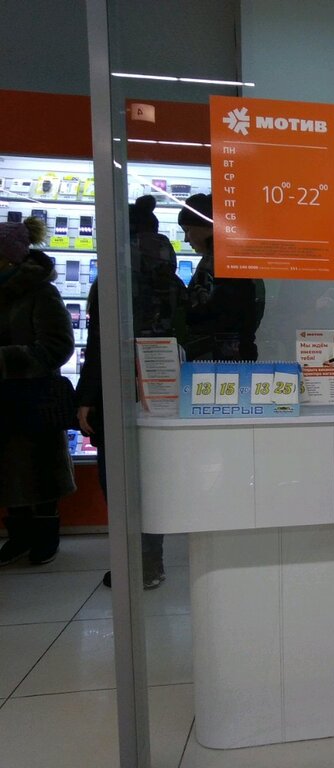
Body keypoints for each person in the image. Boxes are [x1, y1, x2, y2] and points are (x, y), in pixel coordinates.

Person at [77, 195, 187, 589]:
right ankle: (150, 561)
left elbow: (101, 345)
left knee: (118, 480)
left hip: (118, 389)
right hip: (164, 391)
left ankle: (133, 562)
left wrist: (86, 397)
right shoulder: (173, 280)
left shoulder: (113, 281)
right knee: (152, 477)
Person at [0, 217, 76, 565]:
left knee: (39, 470)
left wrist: (7, 360)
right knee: (8, 473)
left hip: (33, 398)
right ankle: (19, 535)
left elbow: (58, 345)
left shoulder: (41, 292)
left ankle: (46, 536)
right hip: (7, 399)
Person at [178, 193, 264, 361]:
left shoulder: (214, 262)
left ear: (207, 227)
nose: (186, 239)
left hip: (214, 355)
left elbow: (200, 314)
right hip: (240, 351)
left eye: (188, 230)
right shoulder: (238, 256)